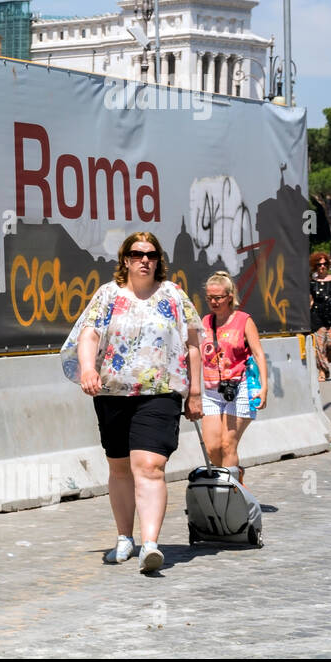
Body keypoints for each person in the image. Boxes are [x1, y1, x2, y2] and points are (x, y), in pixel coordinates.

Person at [61, 232, 202, 573]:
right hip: (113, 393)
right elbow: (89, 334)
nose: (145, 260)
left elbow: (194, 342)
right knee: (120, 467)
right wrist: (89, 367)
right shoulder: (108, 295)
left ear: (159, 259)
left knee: (150, 466)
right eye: (137, 254)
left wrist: (196, 392)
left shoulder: (173, 295)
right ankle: (125, 537)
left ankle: (150, 544)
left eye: (151, 254)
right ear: (125, 259)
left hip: (160, 392)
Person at [198, 271, 267, 486]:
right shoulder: (205, 321)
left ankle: (231, 492)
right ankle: (234, 474)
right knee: (212, 448)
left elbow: (258, 354)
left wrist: (264, 387)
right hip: (212, 391)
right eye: (209, 298)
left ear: (230, 296)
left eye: (218, 297)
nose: (213, 302)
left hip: (240, 388)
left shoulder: (243, 320)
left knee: (228, 444)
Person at [310, 254, 331, 382]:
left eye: (324, 264)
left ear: (328, 265)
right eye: (319, 264)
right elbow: (309, 299)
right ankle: (322, 371)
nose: (322, 266)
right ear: (315, 266)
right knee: (319, 347)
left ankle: (326, 362)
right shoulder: (312, 282)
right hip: (317, 316)